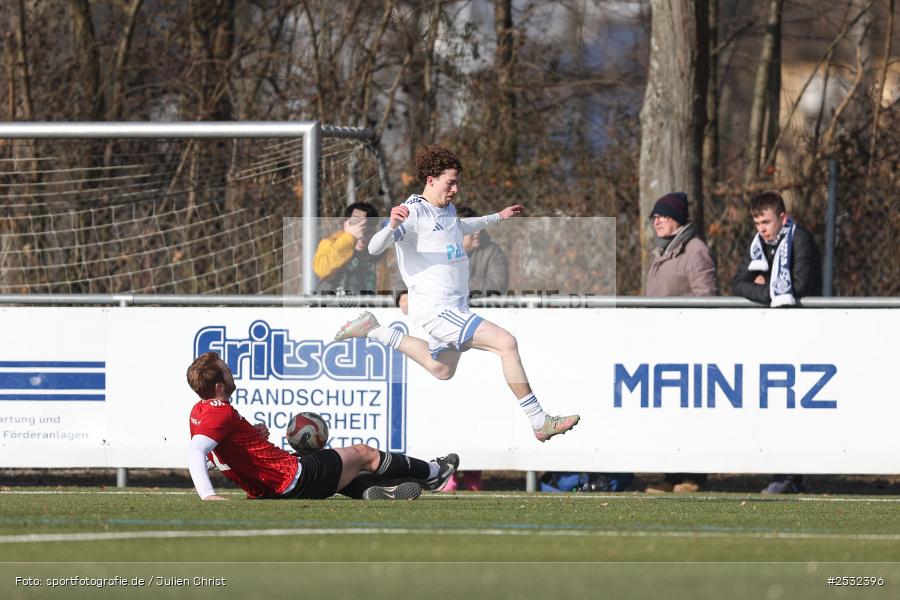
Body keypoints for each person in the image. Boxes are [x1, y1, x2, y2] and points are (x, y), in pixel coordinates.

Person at [335, 145, 580, 442]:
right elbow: (374, 248)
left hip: (452, 306)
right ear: (430, 180)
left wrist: (498, 217)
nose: (455, 189)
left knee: (441, 369)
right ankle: (539, 420)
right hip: (438, 310)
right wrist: (392, 225)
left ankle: (374, 331)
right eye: (450, 182)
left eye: (457, 182)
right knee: (506, 343)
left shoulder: (445, 209)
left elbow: (460, 225)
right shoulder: (412, 213)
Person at [186, 351, 459, 501]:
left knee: (332, 466)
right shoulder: (220, 414)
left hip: (268, 489)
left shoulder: (199, 412)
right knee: (364, 453)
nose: (231, 370)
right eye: (226, 369)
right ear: (220, 385)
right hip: (292, 478)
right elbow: (197, 452)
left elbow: (215, 457)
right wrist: (208, 495)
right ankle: (434, 473)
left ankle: (369, 492)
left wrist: (249, 439)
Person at [732, 191, 822, 494]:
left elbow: (799, 286)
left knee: (797, 409)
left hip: (805, 335)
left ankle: (790, 474)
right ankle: (785, 474)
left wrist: (764, 284)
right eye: (757, 223)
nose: (762, 229)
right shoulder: (758, 246)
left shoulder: (801, 240)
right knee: (775, 408)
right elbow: (738, 283)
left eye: (766, 222)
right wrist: (770, 290)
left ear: (782, 218)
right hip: (773, 337)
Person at [643, 192, 717, 494]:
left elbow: (707, 297)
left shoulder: (695, 251)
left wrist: (690, 331)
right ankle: (672, 474)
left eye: (662, 215)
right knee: (668, 413)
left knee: (691, 412)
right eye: (654, 217)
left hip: (689, 345)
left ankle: (693, 476)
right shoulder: (664, 252)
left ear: (676, 218)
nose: (656, 221)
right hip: (663, 343)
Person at [314, 202, 381, 295]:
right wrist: (350, 237)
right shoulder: (330, 243)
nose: (362, 236)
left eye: (368, 232)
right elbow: (322, 270)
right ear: (345, 225)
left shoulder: (376, 253)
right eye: (359, 230)